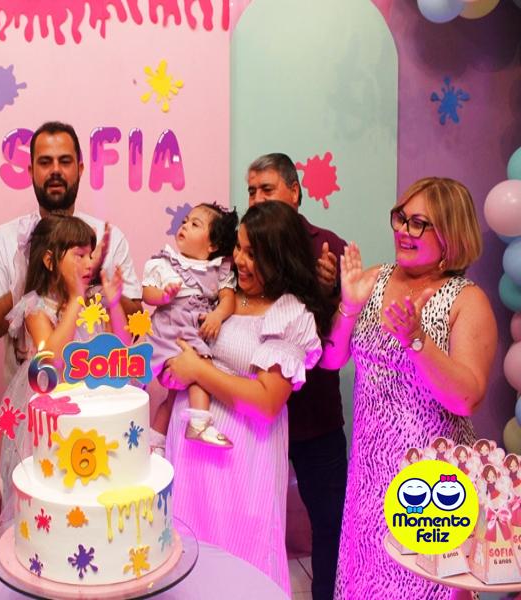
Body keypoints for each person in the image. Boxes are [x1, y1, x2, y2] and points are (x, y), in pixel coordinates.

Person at [321, 177, 497, 599]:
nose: (403, 230)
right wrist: (348, 307)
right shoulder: (375, 279)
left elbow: (466, 397)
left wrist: (416, 340)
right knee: (365, 584)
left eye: (419, 223)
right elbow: (330, 359)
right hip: (369, 476)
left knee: (421, 588)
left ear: (451, 235)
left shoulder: (466, 301)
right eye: (401, 217)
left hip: (430, 487)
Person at [161, 202, 333, 595]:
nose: (239, 259)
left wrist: (198, 371)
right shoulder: (219, 294)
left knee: (239, 568)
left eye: (253, 254)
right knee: (185, 567)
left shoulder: (290, 314)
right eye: (238, 247)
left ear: (280, 257)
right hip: (190, 458)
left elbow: (266, 401)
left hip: (242, 465)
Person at [247, 153, 347, 600]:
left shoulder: (327, 246)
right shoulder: (245, 246)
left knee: (329, 519)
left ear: (295, 191)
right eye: (251, 191)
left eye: (267, 189)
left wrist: (331, 290)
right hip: (258, 413)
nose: (257, 199)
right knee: (252, 514)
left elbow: (341, 332)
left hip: (314, 415)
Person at [0, 121, 142, 382]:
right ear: (31, 171)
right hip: (38, 395)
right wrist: (30, 276)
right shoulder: (6, 238)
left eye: (65, 161)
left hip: (99, 393)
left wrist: (96, 280)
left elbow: (133, 330)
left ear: (80, 169)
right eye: (45, 162)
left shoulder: (108, 237)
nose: (55, 170)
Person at [0, 214, 129, 522]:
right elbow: (52, 359)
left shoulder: (94, 302)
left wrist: (113, 304)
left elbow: (121, 349)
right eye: (79, 255)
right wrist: (75, 299)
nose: (88, 263)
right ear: (49, 260)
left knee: (92, 488)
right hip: (53, 415)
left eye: (91, 255)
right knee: (56, 492)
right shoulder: (36, 307)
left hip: (92, 408)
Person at [143, 202, 238, 450]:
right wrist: (163, 296)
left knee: (176, 394)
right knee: (198, 372)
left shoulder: (219, 269)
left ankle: (157, 443)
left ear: (213, 245)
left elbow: (228, 300)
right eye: (185, 221)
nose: (185, 226)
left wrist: (217, 315)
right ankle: (199, 423)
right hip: (169, 333)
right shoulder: (166, 262)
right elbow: (147, 293)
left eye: (195, 224)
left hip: (193, 333)